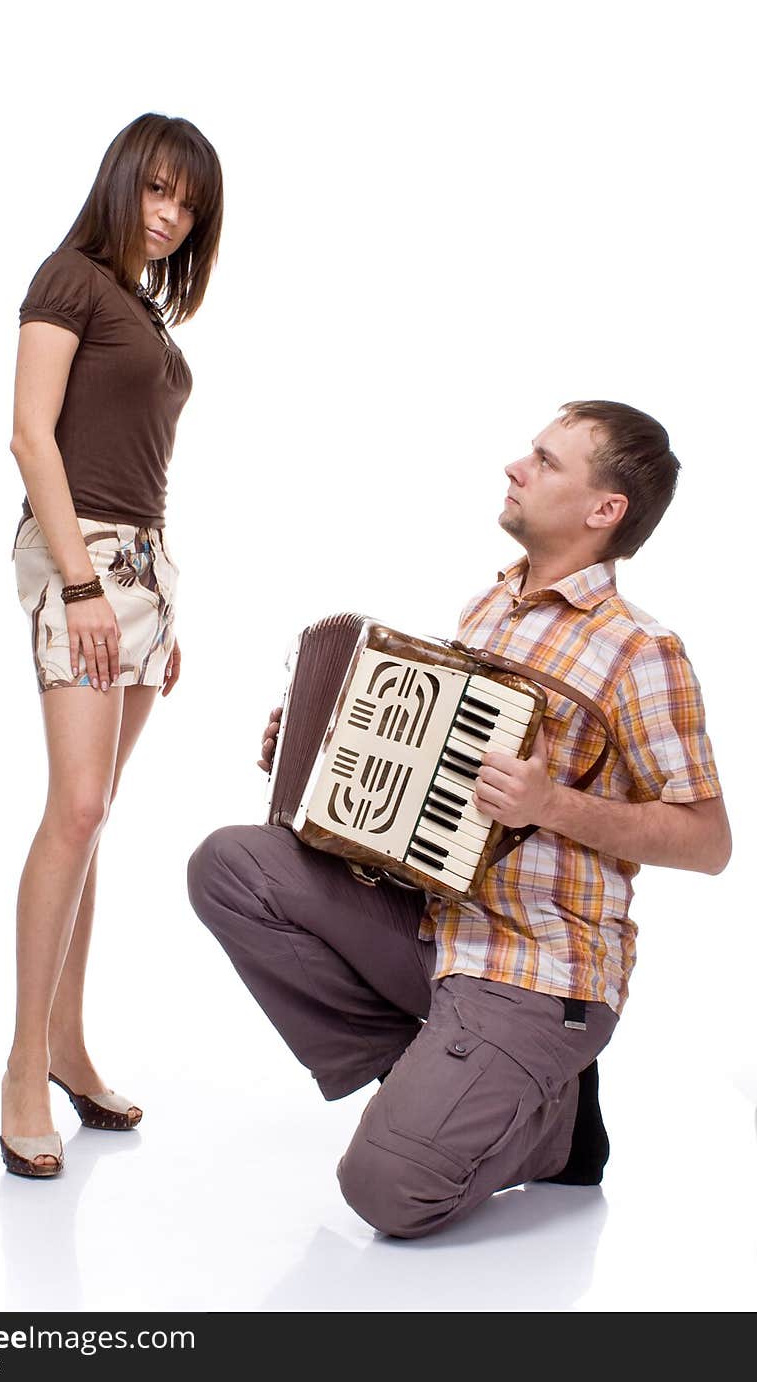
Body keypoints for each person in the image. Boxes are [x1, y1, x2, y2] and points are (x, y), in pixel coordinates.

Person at [187, 400, 731, 1237]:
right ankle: (436, 1076)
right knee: (233, 866)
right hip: (433, 926)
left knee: (387, 1192)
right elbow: (431, 784)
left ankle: (556, 1132)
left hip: (539, 966)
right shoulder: (491, 606)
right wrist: (318, 745)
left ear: (603, 509)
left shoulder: (640, 651)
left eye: (546, 462)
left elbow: (708, 841)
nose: (517, 468)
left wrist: (553, 804)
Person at [2, 113, 223, 1178]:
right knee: (76, 807)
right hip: (79, 557)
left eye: (188, 204)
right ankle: (19, 1067)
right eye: (158, 190)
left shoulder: (143, 307)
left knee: (94, 818)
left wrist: (156, 604)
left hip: (139, 570)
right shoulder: (71, 278)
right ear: (122, 181)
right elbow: (29, 434)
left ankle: (71, 1049)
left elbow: (143, 467)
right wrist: (86, 586)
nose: (170, 215)